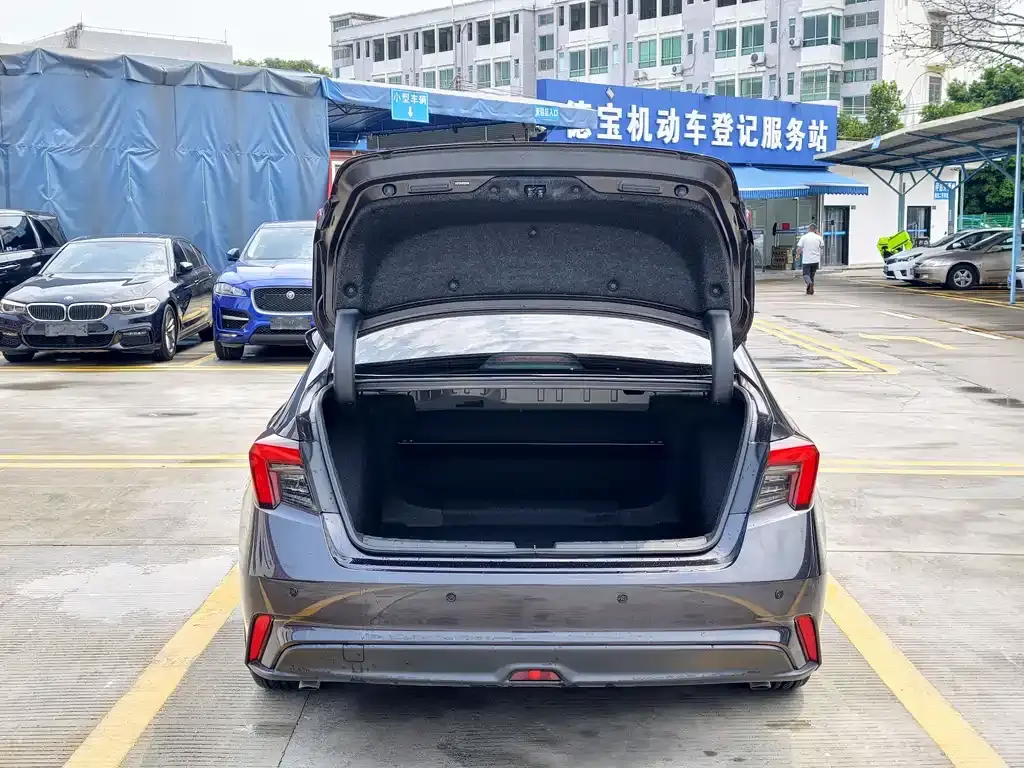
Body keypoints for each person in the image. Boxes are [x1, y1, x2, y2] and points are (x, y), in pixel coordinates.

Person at [796, 223, 824, 295]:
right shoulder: (819, 237)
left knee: (806, 275)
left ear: (808, 229)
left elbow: (799, 248)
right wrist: (818, 235)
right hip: (815, 260)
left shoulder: (804, 237)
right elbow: (822, 246)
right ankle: (809, 290)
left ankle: (810, 283)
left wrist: (798, 255)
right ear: (815, 230)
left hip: (806, 260)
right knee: (812, 275)